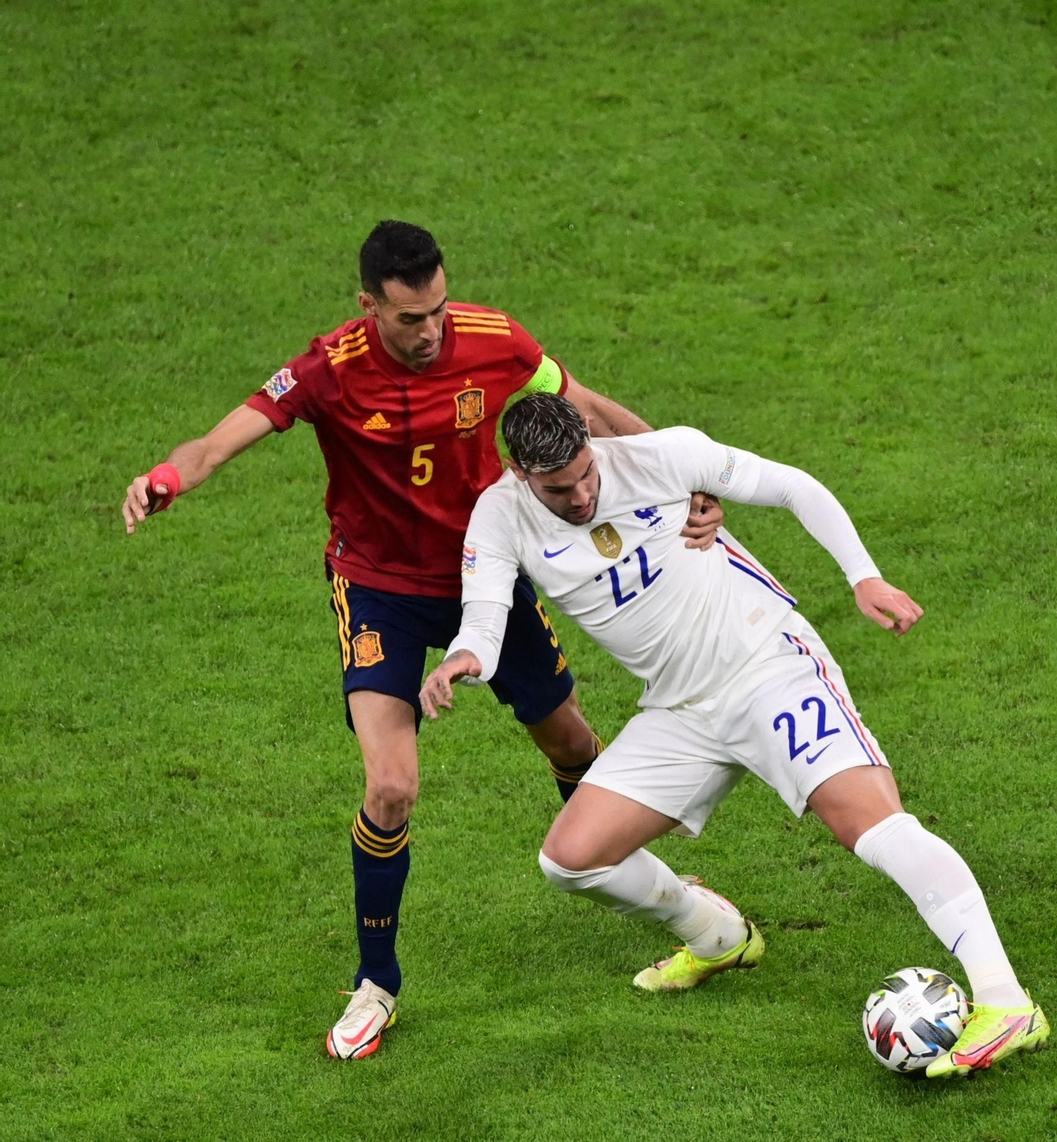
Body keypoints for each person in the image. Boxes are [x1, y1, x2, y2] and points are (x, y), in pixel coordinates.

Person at [118, 221, 724, 1058]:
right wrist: (167, 477)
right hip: (377, 591)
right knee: (392, 787)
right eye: (410, 319)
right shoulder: (326, 371)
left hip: (488, 572)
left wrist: (684, 472)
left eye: (438, 309)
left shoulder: (493, 338)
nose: (431, 330)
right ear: (369, 307)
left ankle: (648, 884)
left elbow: (582, 406)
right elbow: (222, 439)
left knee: (573, 739)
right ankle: (376, 985)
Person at [420, 393, 1049, 1077]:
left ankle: (1004, 999)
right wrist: (464, 660)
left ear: (590, 446)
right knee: (571, 859)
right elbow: (484, 617)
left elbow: (790, 485)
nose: (580, 496)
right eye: (559, 488)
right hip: (679, 711)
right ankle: (714, 934)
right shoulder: (498, 517)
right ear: (519, 472)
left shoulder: (662, 457)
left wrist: (862, 576)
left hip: (765, 664)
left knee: (870, 825)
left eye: (585, 475)